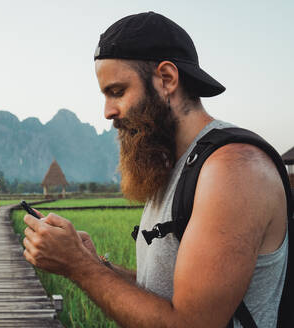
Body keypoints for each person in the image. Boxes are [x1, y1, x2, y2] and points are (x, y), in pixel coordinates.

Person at [22, 12, 290, 328]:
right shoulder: (175, 166)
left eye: (117, 91)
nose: (108, 112)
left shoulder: (233, 169)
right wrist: (96, 263)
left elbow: (192, 323)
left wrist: (79, 266)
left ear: (166, 79)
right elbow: (173, 293)